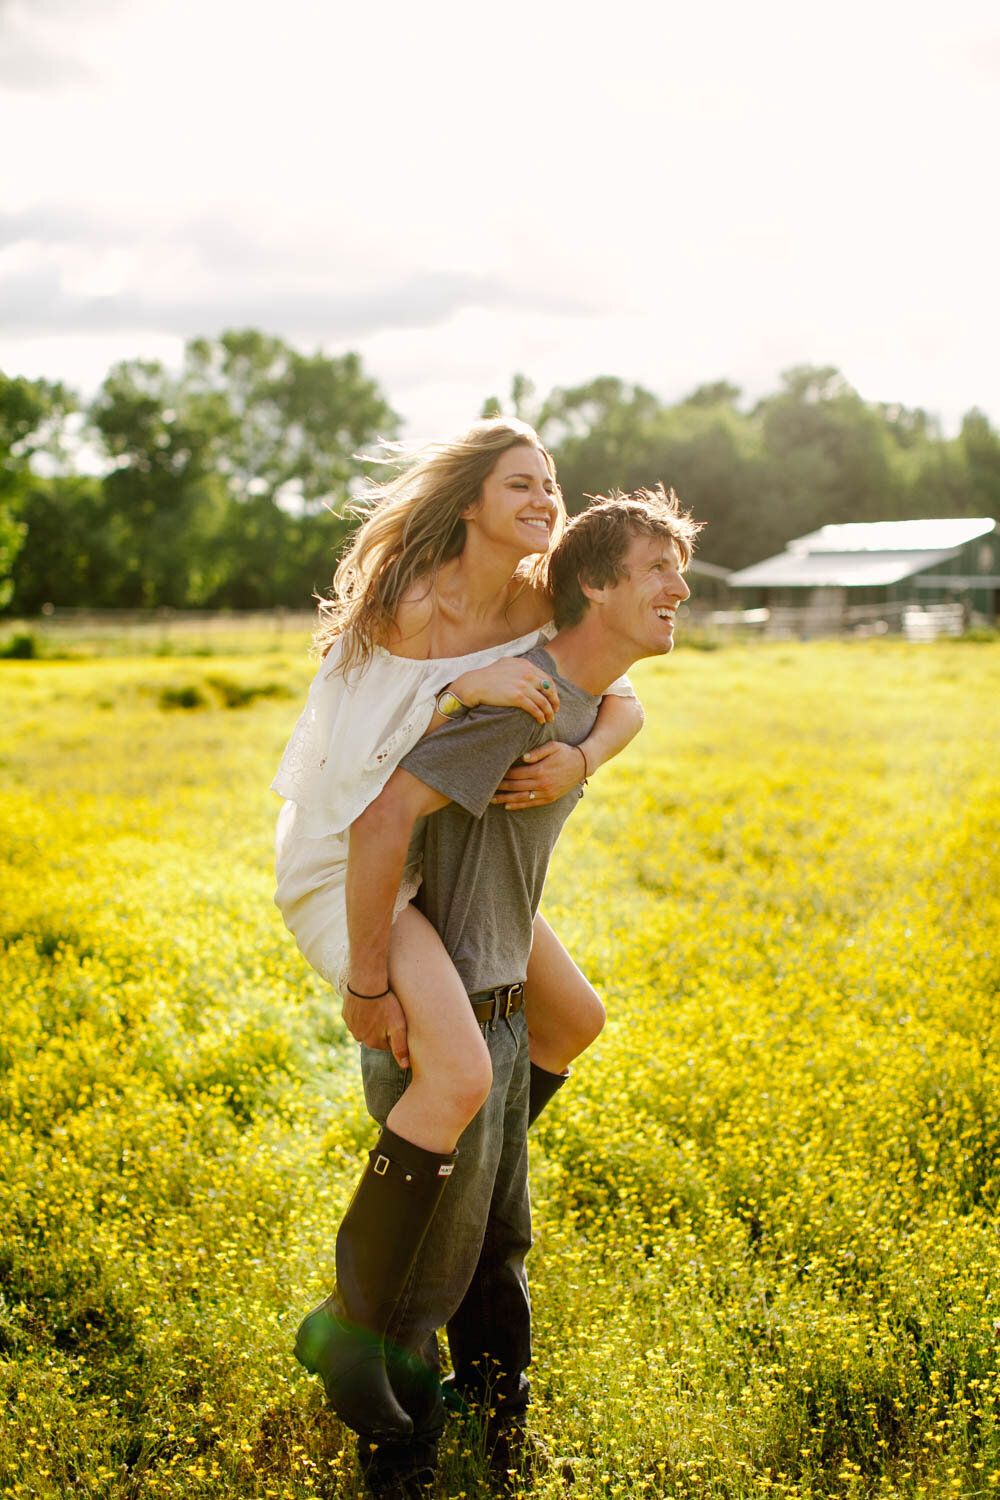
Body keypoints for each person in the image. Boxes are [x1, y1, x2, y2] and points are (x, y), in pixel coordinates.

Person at [300, 487, 701, 1497]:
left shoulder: (577, 706)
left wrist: (585, 757)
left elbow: (622, 709)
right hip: (453, 999)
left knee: (495, 1230)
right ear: (597, 586)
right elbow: (382, 822)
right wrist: (369, 982)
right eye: (657, 570)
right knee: (436, 1253)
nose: (679, 588)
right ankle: (394, 1444)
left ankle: (496, 1407)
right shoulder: (515, 705)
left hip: (505, 996)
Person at [273, 420, 644, 1143]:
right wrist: (462, 692)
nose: (543, 498)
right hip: (353, 855)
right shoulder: (411, 608)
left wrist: (584, 758)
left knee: (572, 1021)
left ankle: (472, 1174)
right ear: (469, 505)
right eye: (519, 484)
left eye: (549, 484)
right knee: (459, 1072)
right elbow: (366, 784)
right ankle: (398, 1233)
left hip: (447, 857)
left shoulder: (541, 603)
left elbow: (623, 701)